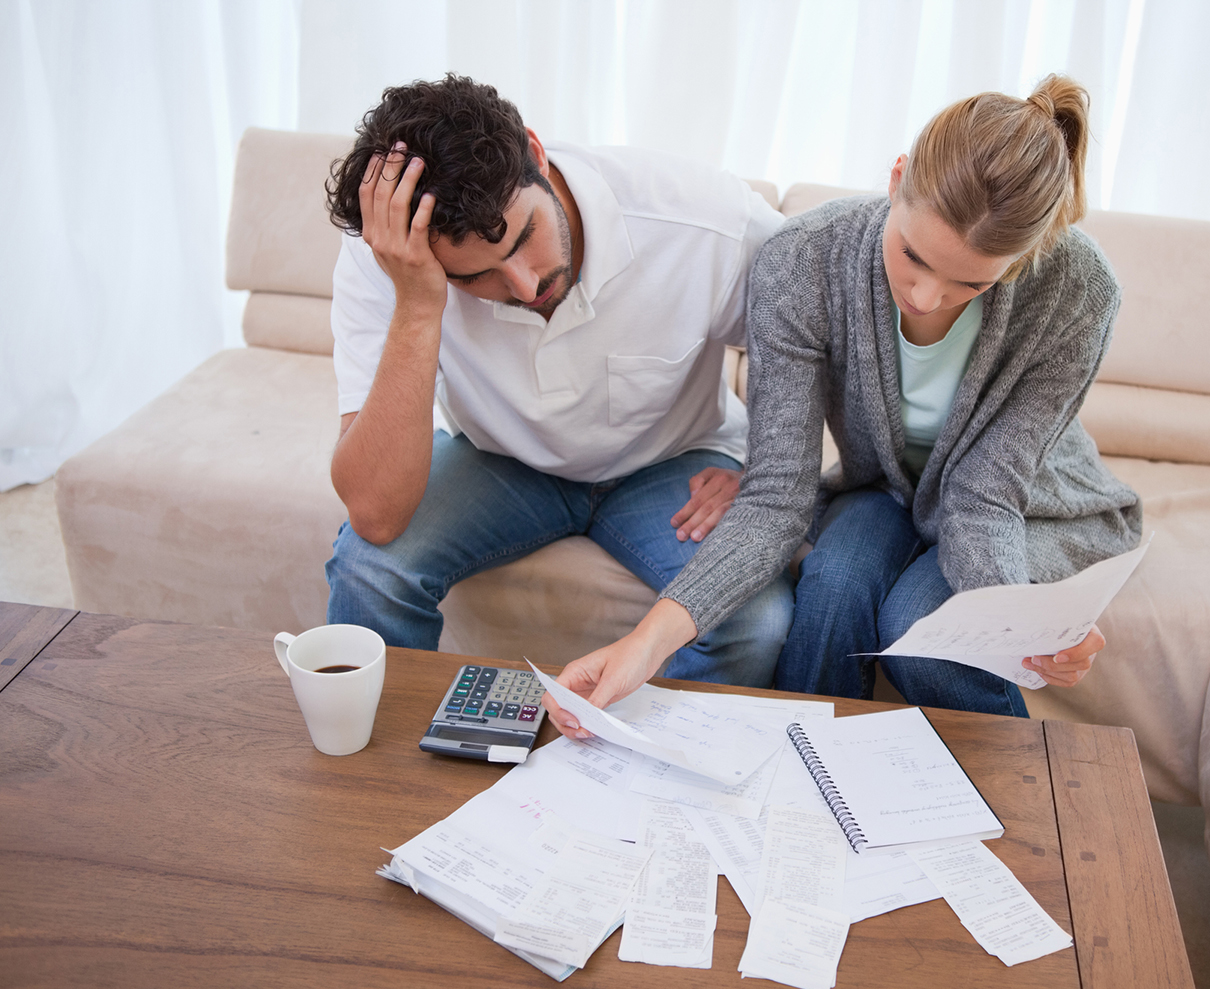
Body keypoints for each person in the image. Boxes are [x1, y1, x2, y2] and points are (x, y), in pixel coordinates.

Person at [546, 76, 1142, 735]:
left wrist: (1020, 626)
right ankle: (805, 789)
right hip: (886, 491)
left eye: (970, 283)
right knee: (831, 589)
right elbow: (776, 501)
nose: (925, 294)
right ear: (896, 178)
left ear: (1025, 256)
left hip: (1027, 508)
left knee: (919, 629)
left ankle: (1034, 809)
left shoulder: (1079, 287)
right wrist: (643, 646)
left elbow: (982, 498)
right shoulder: (801, 261)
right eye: (912, 254)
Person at [322, 74, 792, 685]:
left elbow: (831, 346)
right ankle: (390, 779)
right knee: (369, 569)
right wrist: (418, 303)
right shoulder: (386, 256)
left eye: (523, 237)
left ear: (537, 154)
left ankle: (671, 779)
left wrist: (765, 473)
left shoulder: (707, 221)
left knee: (753, 618)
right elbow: (376, 515)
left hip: (672, 462)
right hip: (502, 463)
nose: (524, 286)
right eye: (474, 278)